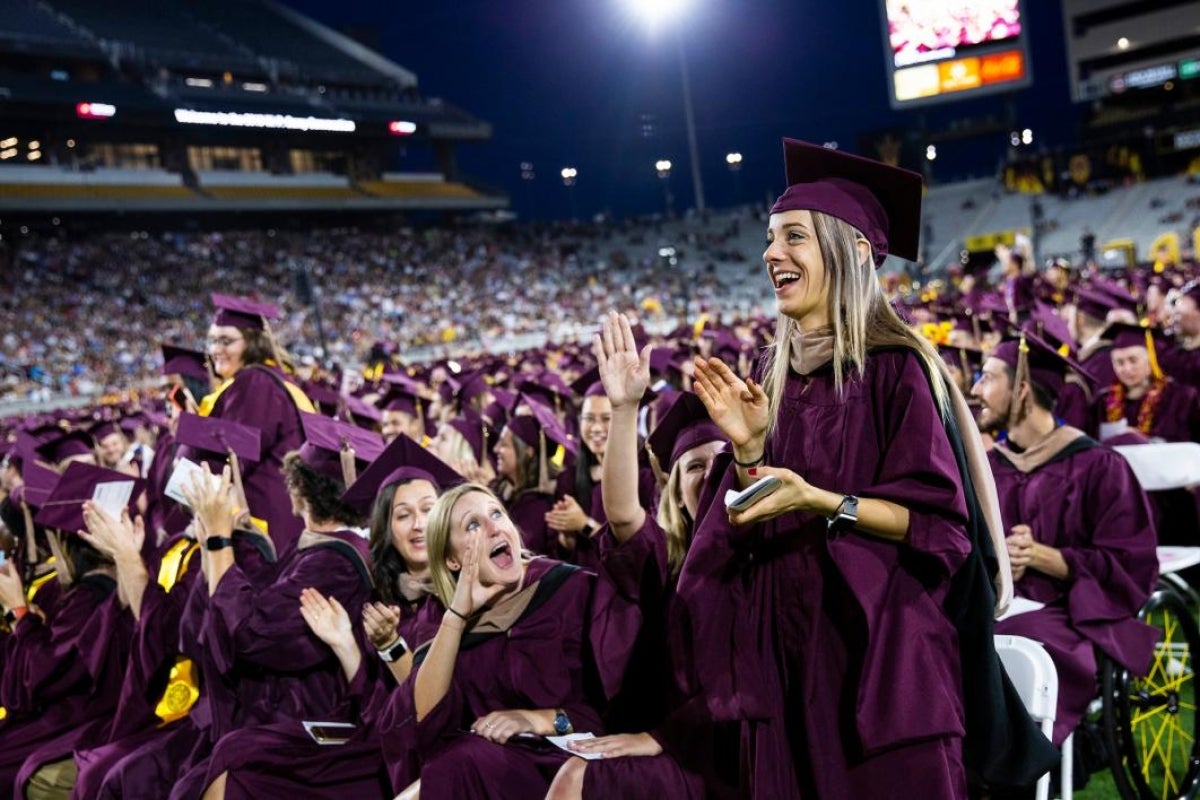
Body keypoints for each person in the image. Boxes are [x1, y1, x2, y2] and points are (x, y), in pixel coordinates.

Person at [676, 139, 1051, 797]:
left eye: (794, 236)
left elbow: (940, 527)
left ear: (850, 252)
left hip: (886, 663)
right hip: (793, 665)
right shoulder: (775, 381)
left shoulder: (898, 371)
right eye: (769, 238)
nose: (771, 254)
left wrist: (821, 501)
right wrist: (747, 451)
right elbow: (745, 528)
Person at [548, 312, 725, 799]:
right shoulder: (670, 559)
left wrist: (657, 738)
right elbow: (624, 513)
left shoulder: (770, 555)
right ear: (673, 488)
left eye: (721, 461)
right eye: (692, 466)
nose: (709, 474)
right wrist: (624, 409)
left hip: (738, 752)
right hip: (680, 743)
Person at [379, 482, 636, 799]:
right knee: (447, 768)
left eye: (497, 514)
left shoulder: (572, 590)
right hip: (496, 769)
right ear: (452, 561)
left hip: (577, 763)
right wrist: (457, 616)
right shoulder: (439, 617)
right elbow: (426, 724)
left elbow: (623, 708)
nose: (493, 528)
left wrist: (537, 719)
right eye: (473, 525)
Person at [973, 331, 1159, 744]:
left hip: (1072, 612)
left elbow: (1132, 563)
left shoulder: (1099, 466)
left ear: (1021, 389)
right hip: (996, 602)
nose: (976, 390)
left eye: (987, 378)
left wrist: (1047, 558)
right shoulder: (987, 468)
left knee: (1012, 643)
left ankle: (1008, 768)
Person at [188, 293, 315, 558]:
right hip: (283, 515)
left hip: (263, 522)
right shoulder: (270, 378)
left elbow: (234, 457)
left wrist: (189, 436)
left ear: (253, 342)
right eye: (212, 340)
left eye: (227, 340)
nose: (216, 349)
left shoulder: (254, 382)